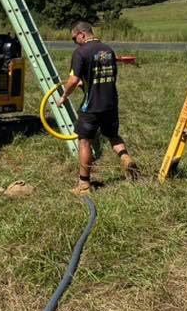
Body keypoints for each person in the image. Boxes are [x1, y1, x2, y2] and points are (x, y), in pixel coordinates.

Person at [56, 20, 139, 194]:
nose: (74, 42)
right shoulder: (108, 50)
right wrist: (85, 84)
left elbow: (72, 80)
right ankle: (125, 158)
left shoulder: (81, 52)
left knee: (84, 141)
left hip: (92, 106)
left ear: (82, 34)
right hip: (110, 103)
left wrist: (64, 96)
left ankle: (84, 184)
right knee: (113, 136)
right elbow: (105, 75)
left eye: (74, 38)